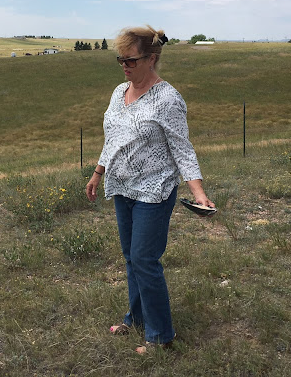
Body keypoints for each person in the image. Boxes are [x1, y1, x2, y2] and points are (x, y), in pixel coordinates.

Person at [85, 25, 215, 354]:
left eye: (131, 60)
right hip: (122, 187)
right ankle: (137, 319)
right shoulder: (119, 92)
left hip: (154, 191)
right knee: (132, 259)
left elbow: (182, 149)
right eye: (121, 60)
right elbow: (113, 139)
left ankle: (160, 337)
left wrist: (198, 193)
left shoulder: (168, 99)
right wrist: (98, 173)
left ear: (151, 59)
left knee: (145, 259)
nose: (124, 66)